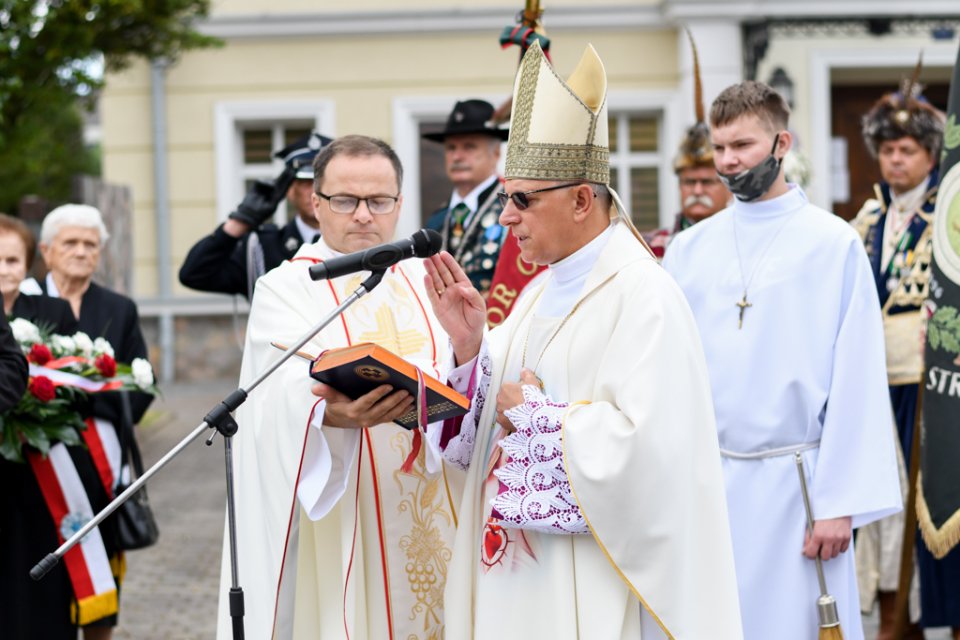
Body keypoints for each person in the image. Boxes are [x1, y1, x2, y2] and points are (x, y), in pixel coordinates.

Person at [423, 41, 742, 639]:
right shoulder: (537, 294)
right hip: (517, 577)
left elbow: (658, 460)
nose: (506, 218)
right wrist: (469, 349)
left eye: (521, 199)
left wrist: (546, 420)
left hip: (592, 579)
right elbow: (485, 427)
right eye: (504, 198)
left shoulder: (645, 296)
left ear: (580, 199)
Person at [662, 80, 902, 640]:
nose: (728, 162)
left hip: (800, 490)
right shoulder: (689, 250)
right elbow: (669, 373)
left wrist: (840, 504)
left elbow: (858, 380)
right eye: (720, 149)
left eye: (742, 146)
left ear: (781, 143)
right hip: (710, 485)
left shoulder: (832, 243)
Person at [218, 135, 460, 639]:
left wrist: (473, 341)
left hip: (440, 496)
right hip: (348, 498)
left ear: (399, 202)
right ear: (316, 202)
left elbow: (462, 365)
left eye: (379, 201)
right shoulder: (287, 286)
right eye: (346, 200)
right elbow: (269, 393)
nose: (364, 216)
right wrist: (329, 415)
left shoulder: (424, 275)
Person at [853, 78, 960, 639]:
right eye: (888, 150)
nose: (896, 159)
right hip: (877, 381)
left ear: (929, 155)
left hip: (931, 380)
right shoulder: (867, 221)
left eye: (908, 150)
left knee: (933, 502)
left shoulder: (950, 216)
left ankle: (940, 617)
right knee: (884, 507)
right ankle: (892, 616)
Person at [37, 203, 155, 640]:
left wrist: (94, 411)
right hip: (37, 469)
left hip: (100, 469)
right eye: (71, 243)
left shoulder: (118, 308)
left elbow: (141, 382)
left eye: (91, 244)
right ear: (47, 251)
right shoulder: (22, 301)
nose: (82, 252)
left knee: (102, 580)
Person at [179, 131, 332, 299]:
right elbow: (194, 275)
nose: (314, 192)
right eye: (306, 183)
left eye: (322, 182)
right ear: (289, 189)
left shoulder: (357, 242)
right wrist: (240, 222)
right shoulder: (261, 247)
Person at [643, 37, 730, 259]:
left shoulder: (745, 244)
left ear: (728, 188)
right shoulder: (650, 248)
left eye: (708, 182)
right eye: (690, 182)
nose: (697, 191)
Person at [423, 100, 510, 294]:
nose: (457, 157)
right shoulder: (437, 219)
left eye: (469, 147)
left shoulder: (512, 209)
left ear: (495, 154)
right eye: (451, 148)